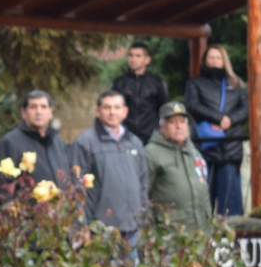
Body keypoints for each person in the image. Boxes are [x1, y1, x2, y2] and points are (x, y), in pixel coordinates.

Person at [71, 90, 149, 234]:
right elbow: (77, 188)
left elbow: (143, 183)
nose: (112, 112)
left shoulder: (134, 142)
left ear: (125, 111)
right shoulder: (85, 143)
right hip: (101, 231)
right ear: (97, 111)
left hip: (133, 229)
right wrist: (82, 227)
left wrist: (143, 219)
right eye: (107, 107)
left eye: (117, 107)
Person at [185, 44, 249, 216]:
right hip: (206, 144)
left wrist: (229, 121)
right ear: (205, 61)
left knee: (230, 204)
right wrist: (218, 119)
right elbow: (193, 105)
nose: (214, 61)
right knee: (204, 199)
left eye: (217, 58)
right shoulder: (195, 83)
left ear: (224, 61)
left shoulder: (236, 84)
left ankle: (232, 240)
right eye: (210, 58)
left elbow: (245, 109)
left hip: (230, 144)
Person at [144, 100, 212, 229]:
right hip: (169, 234)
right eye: (172, 122)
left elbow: (204, 190)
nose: (178, 126)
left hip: (201, 233)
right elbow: (141, 196)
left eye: (182, 121)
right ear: (162, 127)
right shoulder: (150, 153)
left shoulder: (194, 152)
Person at [0, 90, 71, 189]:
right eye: (33, 107)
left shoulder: (59, 144)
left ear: (50, 112)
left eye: (43, 107)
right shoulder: (9, 143)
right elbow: (1, 187)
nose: (39, 112)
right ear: (23, 112)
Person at [111, 42, 170, 148]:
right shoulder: (119, 83)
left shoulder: (156, 83)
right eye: (131, 55)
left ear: (147, 60)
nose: (133, 59)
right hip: (125, 135)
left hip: (150, 137)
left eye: (138, 56)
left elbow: (163, 109)